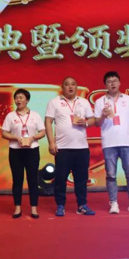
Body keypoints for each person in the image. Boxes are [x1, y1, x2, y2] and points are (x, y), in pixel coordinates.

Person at [45, 77, 96, 217]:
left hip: (82, 148)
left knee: (81, 179)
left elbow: (92, 119)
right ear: (62, 87)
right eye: (67, 84)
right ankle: (60, 205)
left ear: (76, 87)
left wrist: (85, 122)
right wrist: (51, 142)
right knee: (60, 179)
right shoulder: (54, 102)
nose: (70, 87)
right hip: (62, 148)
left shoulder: (83, 102)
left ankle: (82, 205)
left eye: (73, 84)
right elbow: (48, 122)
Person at [95, 71, 129, 214]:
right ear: (105, 85)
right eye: (109, 81)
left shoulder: (128, 100)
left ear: (119, 83)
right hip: (109, 143)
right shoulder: (100, 101)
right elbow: (97, 123)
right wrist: (103, 115)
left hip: (126, 142)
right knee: (111, 175)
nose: (112, 84)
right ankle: (113, 203)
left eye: (115, 81)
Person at [1, 88, 45, 218]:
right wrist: (16, 138)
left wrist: (32, 138)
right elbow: (4, 133)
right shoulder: (10, 116)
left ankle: (34, 208)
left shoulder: (35, 115)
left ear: (27, 100)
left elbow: (42, 132)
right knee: (17, 180)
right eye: (16, 98)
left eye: (21, 97)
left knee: (33, 179)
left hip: (32, 151)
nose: (18, 100)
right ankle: (17, 207)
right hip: (16, 151)